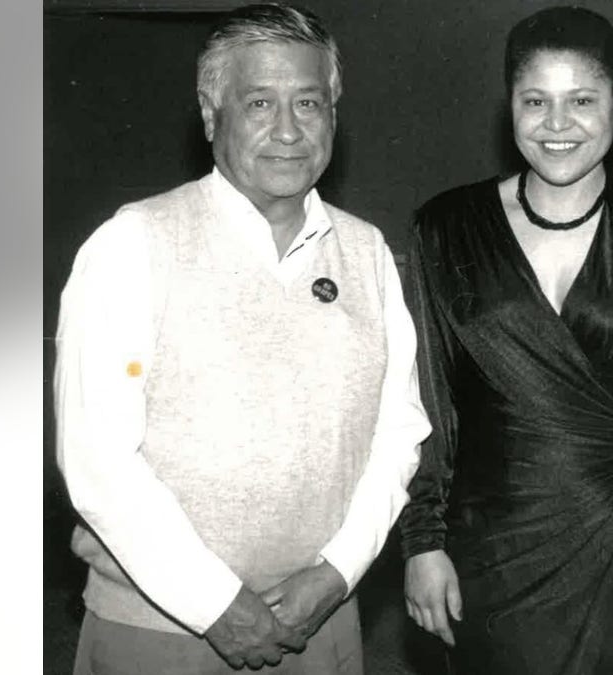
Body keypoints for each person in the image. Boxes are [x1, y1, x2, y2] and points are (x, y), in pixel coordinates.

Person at [53, 4, 430, 673]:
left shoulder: (367, 253)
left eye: (308, 103)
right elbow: (96, 458)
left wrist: (339, 570)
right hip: (159, 633)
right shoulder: (133, 244)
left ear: (334, 115)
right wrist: (215, 603)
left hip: (320, 625)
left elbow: (398, 434)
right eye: (259, 103)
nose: (287, 130)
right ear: (211, 115)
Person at [397, 7, 613, 673]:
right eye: (535, 101)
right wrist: (422, 541)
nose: (557, 124)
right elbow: (424, 399)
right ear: (509, 105)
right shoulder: (445, 228)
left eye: (582, 100)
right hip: (490, 549)